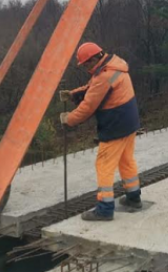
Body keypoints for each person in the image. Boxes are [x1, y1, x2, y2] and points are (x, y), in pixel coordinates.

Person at [61, 42, 142, 221]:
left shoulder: (105, 75)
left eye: (87, 64)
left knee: (103, 165)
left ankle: (105, 209)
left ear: (95, 58)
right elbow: (95, 88)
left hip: (116, 125)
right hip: (129, 121)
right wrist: (73, 94)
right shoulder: (114, 65)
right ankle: (134, 198)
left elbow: (89, 106)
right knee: (126, 161)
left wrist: (69, 119)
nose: (86, 68)